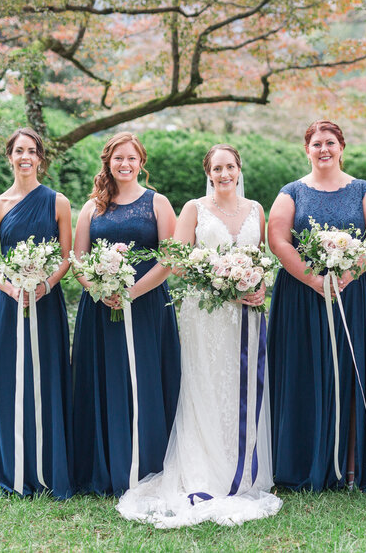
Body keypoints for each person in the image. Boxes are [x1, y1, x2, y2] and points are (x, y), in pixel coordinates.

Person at [117, 144, 281, 527]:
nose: (224, 174)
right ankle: (205, 471)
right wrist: (223, 282)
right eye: (216, 168)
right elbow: (176, 261)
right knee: (205, 387)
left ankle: (244, 469)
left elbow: (262, 259)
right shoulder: (193, 208)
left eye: (230, 167)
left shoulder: (257, 209)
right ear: (208, 173)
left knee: (242, 386)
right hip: (205, 313)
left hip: (247, 313)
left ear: (239, 169)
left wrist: (258, 286)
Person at [267, 120, 366, 492]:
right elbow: (278, 239)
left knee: (353, 371)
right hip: (302, 296)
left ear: (342, 147)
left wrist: (350, 273)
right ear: (307, 149)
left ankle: (352, 465)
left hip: (355, 292)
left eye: (330, 142)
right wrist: (313, 279)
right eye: (317, 143)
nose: (324, 149)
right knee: (305, 371)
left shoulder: (363, 190)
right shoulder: (291, 192)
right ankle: (304, 460)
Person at [70, 132, 181, 496]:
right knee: (106, 379)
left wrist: (132, 292)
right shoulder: (91, 207)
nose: (125, 164)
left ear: (141, 162)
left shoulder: (158, 202)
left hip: (148, 306)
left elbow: (170, 258)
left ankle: (149, 464)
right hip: (100, 310)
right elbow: (78, 261)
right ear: (108, 162)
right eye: (119, 158)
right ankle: (105, 465)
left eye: (132, 158)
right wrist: (99, 290)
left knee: (146, 378)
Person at [0, 127, 73, 498]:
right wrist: (10, 287)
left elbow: (67, 257)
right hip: (9, 302)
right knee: (8, 379)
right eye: (19, 150)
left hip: (46, 302)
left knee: (46, 377)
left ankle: (48, 466)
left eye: (32, 151)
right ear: (9, 156)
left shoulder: (58, 202)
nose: (25, 157)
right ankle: (10, 466)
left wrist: (45, 285)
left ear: (40, 158)